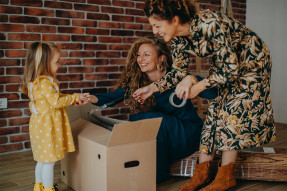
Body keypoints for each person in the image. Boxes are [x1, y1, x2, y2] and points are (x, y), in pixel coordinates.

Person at [132, 0, 276, 191]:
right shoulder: (176, 38)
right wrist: (153, 88)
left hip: (251, 60)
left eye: (157, 25)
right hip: (226, 62)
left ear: (174, 20)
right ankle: (203, 173)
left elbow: (231, 70)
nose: (155, 31)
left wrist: (198, 85)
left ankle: (226, 175)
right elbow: (177, 72)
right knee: (215, 107)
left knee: (232, 107)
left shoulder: (209, 24)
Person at [89, 36, 218, 183]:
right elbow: (113, 97)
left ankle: (157, 175)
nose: (140, 59)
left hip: (188, 132)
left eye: (146, 54)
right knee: (136, 121)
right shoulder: (139, 82)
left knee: (155, 120)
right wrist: (88, 99)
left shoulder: (176, 77)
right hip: (165, 135)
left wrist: (192, 79)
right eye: (138, 55)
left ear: (161, 58)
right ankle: (139, 168)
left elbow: (212, 93)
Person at [19, 42, 90, 191]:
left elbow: (54, 98)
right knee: (49, 162)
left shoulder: (37, 82)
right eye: (57, 62)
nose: (59, 66)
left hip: (40, 125)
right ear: (44, 64)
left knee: (42, 160)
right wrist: (74, 97)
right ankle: (49, 188)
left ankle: (38, 186)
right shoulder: (44, 82)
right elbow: (56, 101)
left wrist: (72, 98)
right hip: (47, 127)